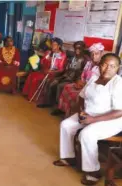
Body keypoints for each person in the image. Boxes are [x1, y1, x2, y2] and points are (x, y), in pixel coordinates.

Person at [53, 53, 122, 185]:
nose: (108, 68)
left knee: (87, 134)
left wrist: (92, 120)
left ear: (117, 68)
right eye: (105, 64)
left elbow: (119, 111)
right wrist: (81, 112)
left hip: (112, 120)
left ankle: (93, 172)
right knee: (66, 125)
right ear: (99, 65)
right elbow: (81, 96)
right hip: (89, 113)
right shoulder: (94, 78)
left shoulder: (118, 84)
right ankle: (69, 157)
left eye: (112, 66)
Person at [56, 43, 104, 117]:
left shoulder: (103, 67)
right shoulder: (89, 63)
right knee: (67, 87)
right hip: (82, 84)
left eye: (97, 54)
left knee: (74, 96)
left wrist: (84, 85)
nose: (94, 56)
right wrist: (79, 81)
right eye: (92, 54)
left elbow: (99, 83)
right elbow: (83, 75)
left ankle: (72, 114)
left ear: (101, 53)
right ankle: (62, 110)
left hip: (91, 89)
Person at [37, 41, 87, 108]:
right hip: (66, 75)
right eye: (76, 48)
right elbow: (66, 68)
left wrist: (76, 77)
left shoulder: (85, 59)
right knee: (51, 82)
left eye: (79, 48)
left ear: (83, 49)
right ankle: (48, 102)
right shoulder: (73, 57)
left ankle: (59, 107)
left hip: (74, 79)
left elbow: (83, 73)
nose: (77, 50)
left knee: (60, 86)